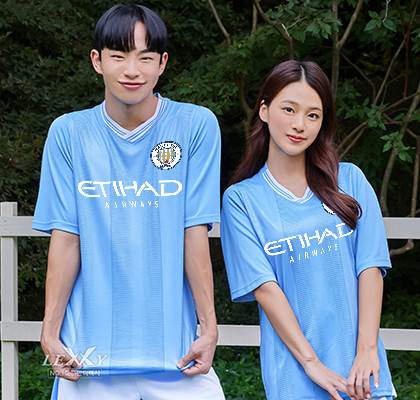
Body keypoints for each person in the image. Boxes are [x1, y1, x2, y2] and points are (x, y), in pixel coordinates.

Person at [32, 4, 225, 400]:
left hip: (177, 355)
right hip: (87, 357)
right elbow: (66, 237)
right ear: (97, 61)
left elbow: (194, 231)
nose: (132, 70)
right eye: (119, 56)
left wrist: (209, 327)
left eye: (145, 57)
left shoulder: (195, 125)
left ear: (162, 63)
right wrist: (49, 330)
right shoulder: (69, 133)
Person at [220, 60, 396, 400]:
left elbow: (370, 267)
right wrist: (312, 363)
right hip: (294, 376)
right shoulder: (241, 200)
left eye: (313, 115)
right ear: (264, 110)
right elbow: (265, 289)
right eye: (289, 109)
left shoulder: (350, 180)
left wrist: (366, 350)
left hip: (363, 373)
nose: (299, 124)